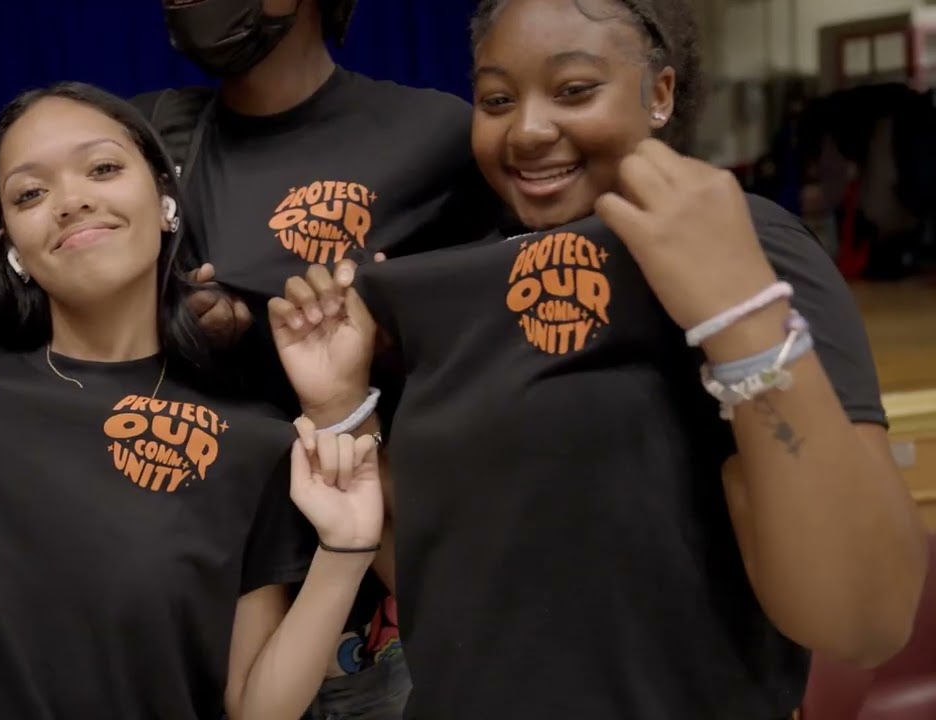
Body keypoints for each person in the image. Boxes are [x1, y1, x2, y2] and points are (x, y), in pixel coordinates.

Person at [271, 0, 931, 717]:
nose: (526, 129)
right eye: (496, 99)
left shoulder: (745, 244)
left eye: (574, 89)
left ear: (660, 94)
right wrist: (340, 406)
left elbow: (865, 619)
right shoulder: (447, 288)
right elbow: (451, 584)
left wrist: (741, 315)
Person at [0, 81, 384, 719]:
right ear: (10, 243)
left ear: (164, 201)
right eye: (30, 193)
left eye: (102, 168)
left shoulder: (250, 438)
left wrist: (345, 554)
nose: (70, 201)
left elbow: (253, 710)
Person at [133, 3, 506, 715]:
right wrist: (186, 332)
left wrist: (389, 338)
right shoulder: (148, 137)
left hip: (382, 598)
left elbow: (493, 341)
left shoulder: (437, 137)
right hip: (200, 583)